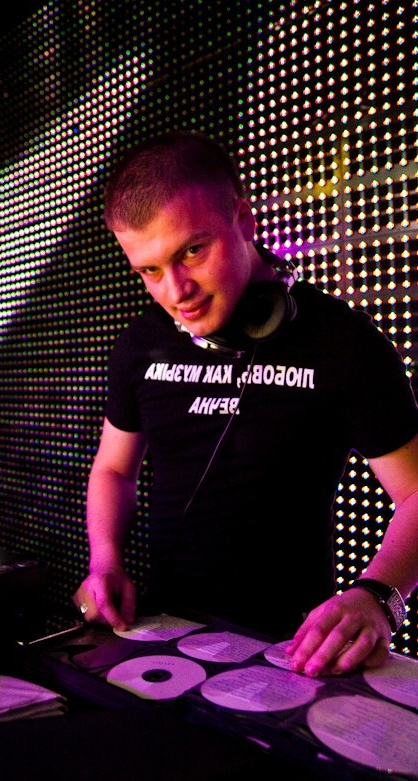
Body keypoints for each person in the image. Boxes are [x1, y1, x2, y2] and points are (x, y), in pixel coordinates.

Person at [72, 130, 418, 677]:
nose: (176, 292)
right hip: (164, 644)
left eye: (191, 251)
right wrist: (106, 560)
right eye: (150, 270)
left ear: (244, 220)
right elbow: (114, 469)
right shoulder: (141, 342)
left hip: (296, 655)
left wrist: (378, 596)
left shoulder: (343, 341)